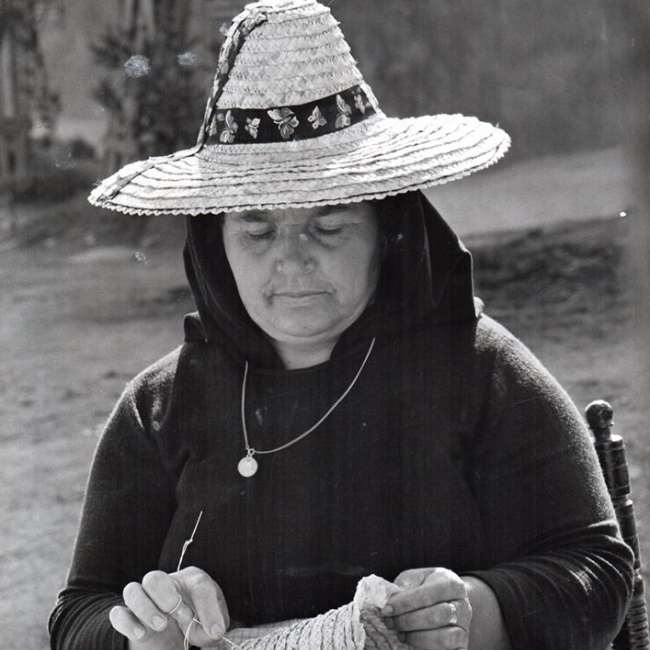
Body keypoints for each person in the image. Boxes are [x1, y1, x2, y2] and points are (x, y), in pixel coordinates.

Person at [49, 1, 634, 649]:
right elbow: (80, 610)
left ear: (388, 231)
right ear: (215, 246)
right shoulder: (160, 408)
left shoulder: (481, 371)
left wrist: (472, 609)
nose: (292, 258)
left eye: (328, 225)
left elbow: (598, 572)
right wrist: (141, 627)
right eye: (257, 230)